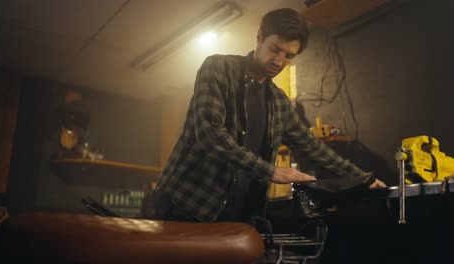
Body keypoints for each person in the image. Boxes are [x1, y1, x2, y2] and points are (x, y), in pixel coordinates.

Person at [151, 8, 386, 222]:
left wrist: (362, 179)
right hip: (186, 205)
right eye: (275, 49)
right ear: (260, 37)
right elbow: (210, 133)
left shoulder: (279, 102)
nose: (279, 61)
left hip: (239, 215)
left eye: (289, 55)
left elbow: (313, 148)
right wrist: (271, 171)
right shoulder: (218, 68)